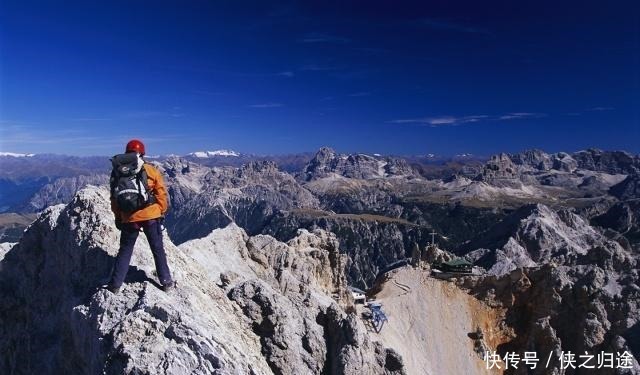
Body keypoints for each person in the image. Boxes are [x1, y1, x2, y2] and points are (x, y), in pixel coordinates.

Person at [107, 139, 174, 293]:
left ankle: (115, 285)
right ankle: (166, 282)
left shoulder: (117, 172)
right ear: (142, 153)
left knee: (125, 251)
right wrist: (161, 211)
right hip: (151, 216)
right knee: (157, 249)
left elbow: (114, 198)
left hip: (129, 218)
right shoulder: (150, 169)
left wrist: (119, 217)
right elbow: (161, 193)